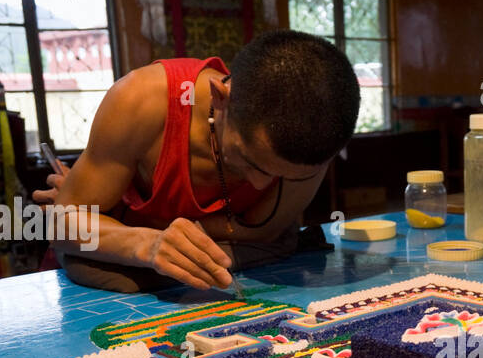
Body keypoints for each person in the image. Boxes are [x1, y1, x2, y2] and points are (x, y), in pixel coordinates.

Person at [35, 30, 360, 292]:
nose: (261, 184)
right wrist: (146, 243)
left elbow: (263, 233)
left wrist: (121, 218)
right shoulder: (142, 101)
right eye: (251, 162)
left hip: (232, 265)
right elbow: (63, 226)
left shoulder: (312, 150)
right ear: (221, 99)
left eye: (285, 176)